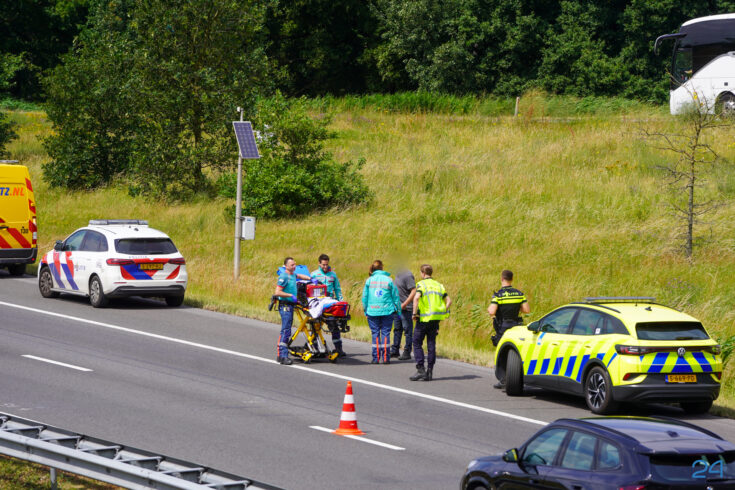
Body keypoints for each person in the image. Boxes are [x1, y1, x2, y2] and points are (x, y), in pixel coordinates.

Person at [488, 269, 530, 388]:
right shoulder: (519, 294)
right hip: (516, 326)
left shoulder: (499, 295)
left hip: (503, 327)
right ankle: (516, 378)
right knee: (515, 352)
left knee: (502, 352)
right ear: (512, 279)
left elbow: (491, 311)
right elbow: (526, 310)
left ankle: (504, 379)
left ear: (502, 279)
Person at [410, 264, 451, 381]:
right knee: (431, 344)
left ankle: (420, 369)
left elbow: (416, 298)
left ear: (423, 273)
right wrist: (443, 310)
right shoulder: (439, 285)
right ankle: (429, 371)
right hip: (435, 319)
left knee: (417, 342)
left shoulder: (421, 284)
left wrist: (414, 314)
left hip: (424, 319)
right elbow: (449, 301)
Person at [362, 260, 401, 364]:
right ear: (382, 268)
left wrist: (365, 310)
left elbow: (364, 297)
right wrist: (398, 310)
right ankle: (386, 358)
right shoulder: (389, 280)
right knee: (386, 333)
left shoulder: (369, 280)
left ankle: (376, 358)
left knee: (375, 333)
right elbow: (396, 297)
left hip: (372, 311)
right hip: (387, 311)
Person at [274, 257, 311, 365]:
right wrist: (290, 295)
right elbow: (277, 292)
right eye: (292, 265)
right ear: (286, 266)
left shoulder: (293, 275)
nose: (294, 266)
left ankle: (281, 355)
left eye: (295, 264)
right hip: (285, 305)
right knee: (286, 330)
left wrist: (311, 279)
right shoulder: (284, 276)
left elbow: (299, 276)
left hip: (290, 305)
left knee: (287, 329)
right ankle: (283, 356)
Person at [311, 253, 346, 357]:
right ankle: (314, 347)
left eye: (327, 264)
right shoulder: (314, 274)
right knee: (315, 326)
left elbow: (337, 289)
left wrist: (341, 302)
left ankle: (338, 349)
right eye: (323, 265)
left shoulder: (333, 275)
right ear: (319, 263)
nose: (325, 267)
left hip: (330, 302)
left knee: (334, 325)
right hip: (318, 302)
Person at [390, 267, 416, 360]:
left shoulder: (407, 275)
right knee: (397, 329)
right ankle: (395, 350)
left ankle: (407, 351)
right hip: (397, 309)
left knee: (407, 331)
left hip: (406, 309)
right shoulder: (397, 275)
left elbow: (414, 291)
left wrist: (405, 304)